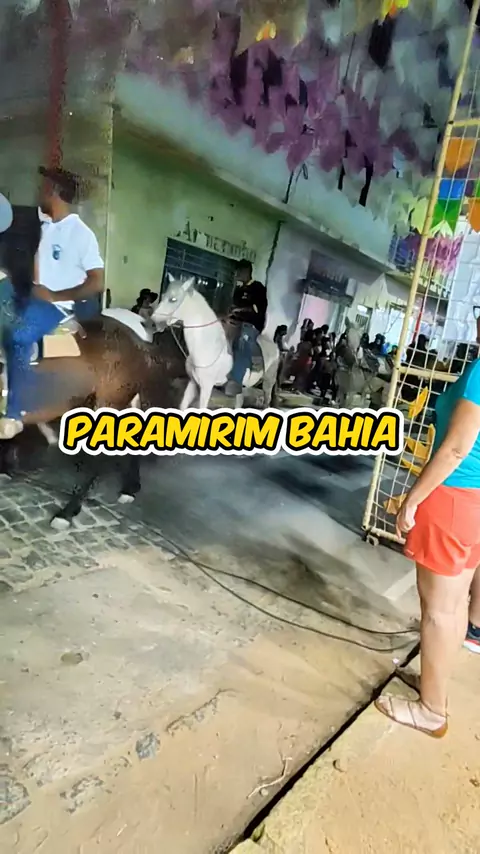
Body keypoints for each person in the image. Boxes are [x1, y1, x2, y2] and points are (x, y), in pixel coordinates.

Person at [375, 305, 480, 738]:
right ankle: (433, 686)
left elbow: (456, 448)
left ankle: (431, 710)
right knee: (452, 608)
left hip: (452, 497)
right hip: (474, 503)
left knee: (438, 611)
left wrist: (412, 499)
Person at [0, 166, 104, 438]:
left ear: (54, 192)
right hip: (35, 299)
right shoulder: (45, 226)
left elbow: (97, 281)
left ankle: (14, 415)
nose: (38, 193)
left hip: (58, 307)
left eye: (42, 188)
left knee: (19, 336)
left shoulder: (81, 234)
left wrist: (56, 296)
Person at [225, 259, 268, 395]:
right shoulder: (238, 290)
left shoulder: (258, 288)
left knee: (242, 342)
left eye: (239, 272)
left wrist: (239, 310)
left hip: (251, 325)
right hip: (236, 322)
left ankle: (236, 381)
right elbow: (233, 307)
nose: (237, 275)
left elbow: (257, 310)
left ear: (247, 272)